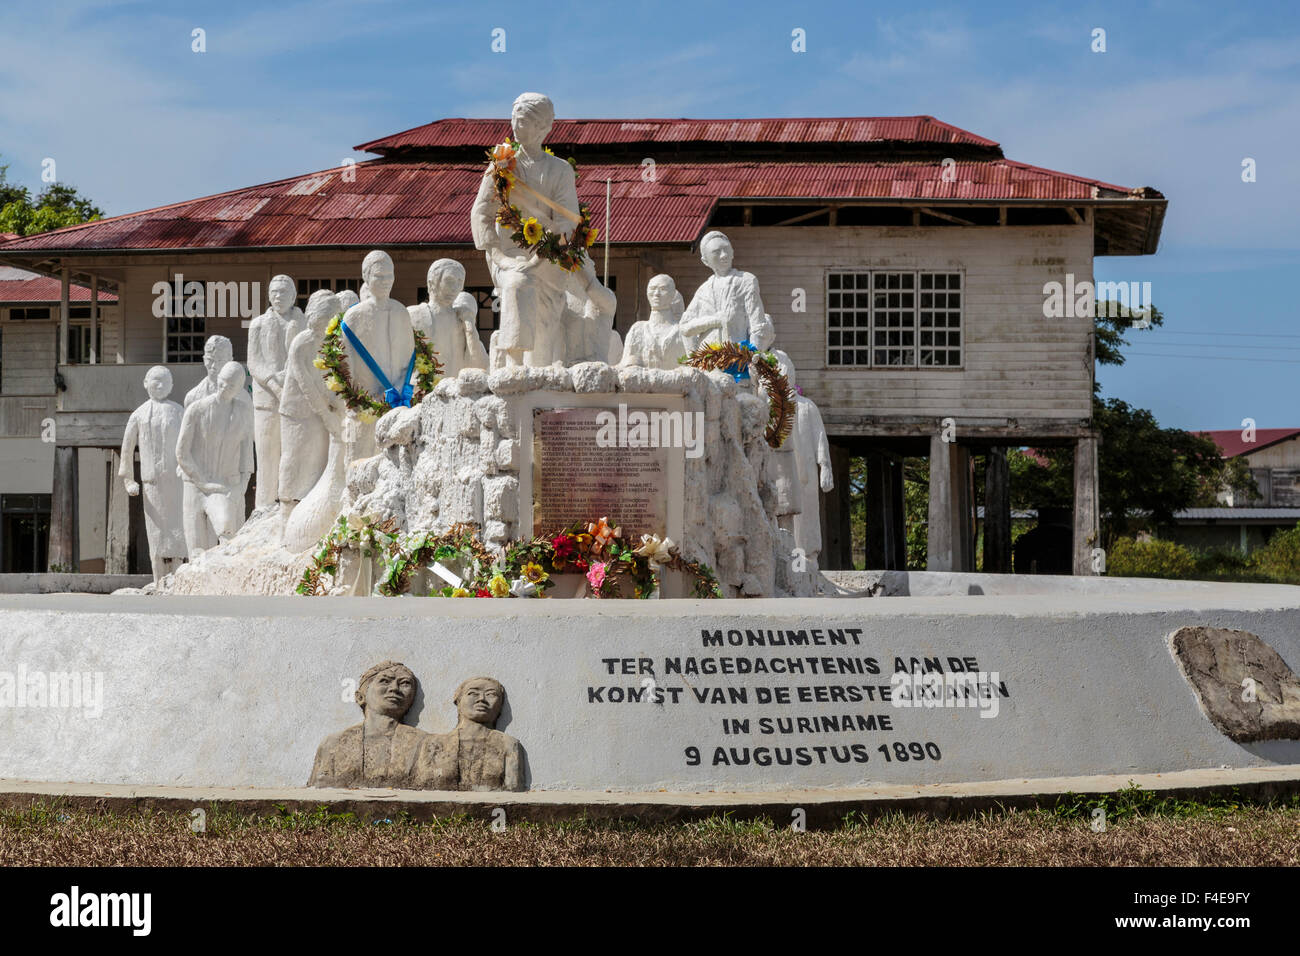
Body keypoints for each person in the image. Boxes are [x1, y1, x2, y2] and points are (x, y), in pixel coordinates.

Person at [470, 91, 614, 368]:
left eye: (522, 121)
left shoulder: (560, 170)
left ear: (543, 128)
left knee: (547, 320)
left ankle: (541, 377)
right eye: (513, 119)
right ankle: (513, 366)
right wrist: (500, 257)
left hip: (549, 253)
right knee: (517, 283)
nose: (515, 127)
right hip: (510, 254)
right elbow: (481, 212)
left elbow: (567, 220)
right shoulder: (501, 166)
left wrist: (540, 257)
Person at [338, 250, 416, 459]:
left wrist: (403, 389)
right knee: (362, 458)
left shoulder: (401, 311)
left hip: (399, 400)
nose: (385, 281)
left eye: (390, 275)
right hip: (366, 402)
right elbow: (344, 363)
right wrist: (354, 399)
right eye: (379, 276)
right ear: (366, 277)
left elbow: (411, 357)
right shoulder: (354, 316)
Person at [175, 361, 255, 556]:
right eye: (223, 382)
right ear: (218, 380)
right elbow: (181, 452)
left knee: (230, 541)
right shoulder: (196, 409)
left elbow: (246, 451)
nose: (225, 388)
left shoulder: (243, 411)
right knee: (196, 548)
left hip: (229, 485)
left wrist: (242, 484)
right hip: (195, 484)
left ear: (239, 388)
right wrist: (202, 482)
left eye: (232, 386)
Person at [308, 662, 425, 789]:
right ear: (360, 697)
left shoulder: (423, 742)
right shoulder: (333, 744)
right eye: (385, 681)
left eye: (405, 683)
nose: (394, 688)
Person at [119, 366, 186, 582]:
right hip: (152, 482)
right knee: (157, 532)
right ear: (145, 383)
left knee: (178, 529)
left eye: (165, 381)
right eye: (156, 380)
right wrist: (129, 480)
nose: (160, 385)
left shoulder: (179, 411)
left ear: (172, 385)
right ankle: (159, 579)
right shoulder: (138, 414)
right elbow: (127, 449)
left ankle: (178, 576)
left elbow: (188, 443)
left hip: (177, 481)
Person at [279, 290, 342, 507]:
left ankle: (311, 505)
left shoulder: (333, 343)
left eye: (331, 319)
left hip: (321, 409)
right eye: (323, 317)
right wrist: (327, 414)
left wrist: (335, 404)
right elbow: (307, 385)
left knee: (317, 458)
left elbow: (331, 378)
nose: (326, 324)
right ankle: (287, 505)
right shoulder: (302, 343)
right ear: (313, 315)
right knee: (294, 457)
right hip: (297, 411)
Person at [246, 275, 304, 509]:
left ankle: (290, 503)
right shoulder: (258, 324)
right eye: (274, 292)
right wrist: (273, 381)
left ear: (293, 296)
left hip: (294, 397)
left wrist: (288, 376)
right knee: (268, 455)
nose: (278, 296)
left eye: (283, 292)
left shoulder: (302, 323)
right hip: (267, 401)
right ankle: (264, 506)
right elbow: (254, 362)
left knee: (293, 453)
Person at [411, 677, 524, 791]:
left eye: (491, 694)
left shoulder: (508, 744)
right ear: (458, 701)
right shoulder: (433, 743)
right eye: (473, 693)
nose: (481, 699)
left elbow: (512, 789)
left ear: (500, 706)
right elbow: (422, 786)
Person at [679, 231, 774, 352]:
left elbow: (757, 325)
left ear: (733, 252)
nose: (724, 255)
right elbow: (684, 327)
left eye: (727, 249)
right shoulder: (703, 290)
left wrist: (753, 357)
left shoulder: (745, 281)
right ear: (705, 261)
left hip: (736, 359)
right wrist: (712, 321)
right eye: (716, 252)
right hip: (706, 361)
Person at [408, 259, 488, 377]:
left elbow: (479, 368)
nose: (455, 287)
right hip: (422, 391)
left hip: (456, 392)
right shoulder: (414, 315)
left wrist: (469, 326)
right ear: (432, 283)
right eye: (449, 281)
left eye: (459, 282)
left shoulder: (461, 320)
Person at [619, 274, 688, 370]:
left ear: (673, 294)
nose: (656, 293)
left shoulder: (683, 331)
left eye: (663, 289)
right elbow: (627, 366)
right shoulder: (637, 329)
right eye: (652, 288)